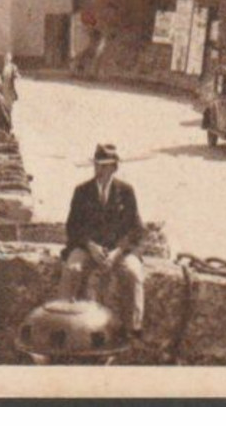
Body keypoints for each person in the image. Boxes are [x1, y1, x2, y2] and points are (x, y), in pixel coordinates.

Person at [59, 143, 146, 337]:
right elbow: (72, 226)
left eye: (105, 165)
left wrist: (118, 251)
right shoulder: (82, 191)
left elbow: (136, 229)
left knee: (133, 273)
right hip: (87, 247)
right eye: (97, 165)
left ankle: (133, 328)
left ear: (114, 167)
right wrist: (90, 246)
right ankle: (62, 323)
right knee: (72, 269)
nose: (100, 170)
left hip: (119, 250)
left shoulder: (126, 191)